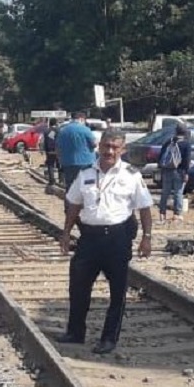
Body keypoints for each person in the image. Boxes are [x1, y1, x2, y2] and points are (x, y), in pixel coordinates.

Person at [56, 128, 154, 355]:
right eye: (106, 146)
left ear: (122, 149)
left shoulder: (131, 176)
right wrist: (66, 232)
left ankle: (109, 338)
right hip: (89, 238)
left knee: (117, 291)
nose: (109, 151)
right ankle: (75, 332)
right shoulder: (85, 174)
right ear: (98, 146)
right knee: (78, 287)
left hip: (117, 239)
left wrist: (146, 238)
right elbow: (74, 205)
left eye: (114, 147)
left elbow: (145, 209)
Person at [156, 123, 191, 223]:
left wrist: (161, 167)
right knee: (178, 193)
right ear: (185, 132)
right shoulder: (186, 144)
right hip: (179, 171)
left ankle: (162, 214)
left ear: (176, 131)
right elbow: (186, 160)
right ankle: (177, 214)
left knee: (165, 192)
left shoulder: (169, 142)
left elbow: (161, 155)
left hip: (167, 170)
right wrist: (186, 173)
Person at [57, 111, 97, 190]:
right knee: (85, 185)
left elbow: (58, 147)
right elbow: (94, 144)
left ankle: (70, 201)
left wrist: (59, 159)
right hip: (85, 162)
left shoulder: (62, 131)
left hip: (67, 162)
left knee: (70, 186)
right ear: (82, 119)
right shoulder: (85, 130)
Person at [41, 118, 60, 187]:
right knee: (59, 166)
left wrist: (43, 150)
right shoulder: (59, 130)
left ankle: (52, 181)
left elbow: (44, 142)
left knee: (50, 165)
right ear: (56, 123)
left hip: (49, 150)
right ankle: (61, 180)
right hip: (58, 151)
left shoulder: (46, 131)